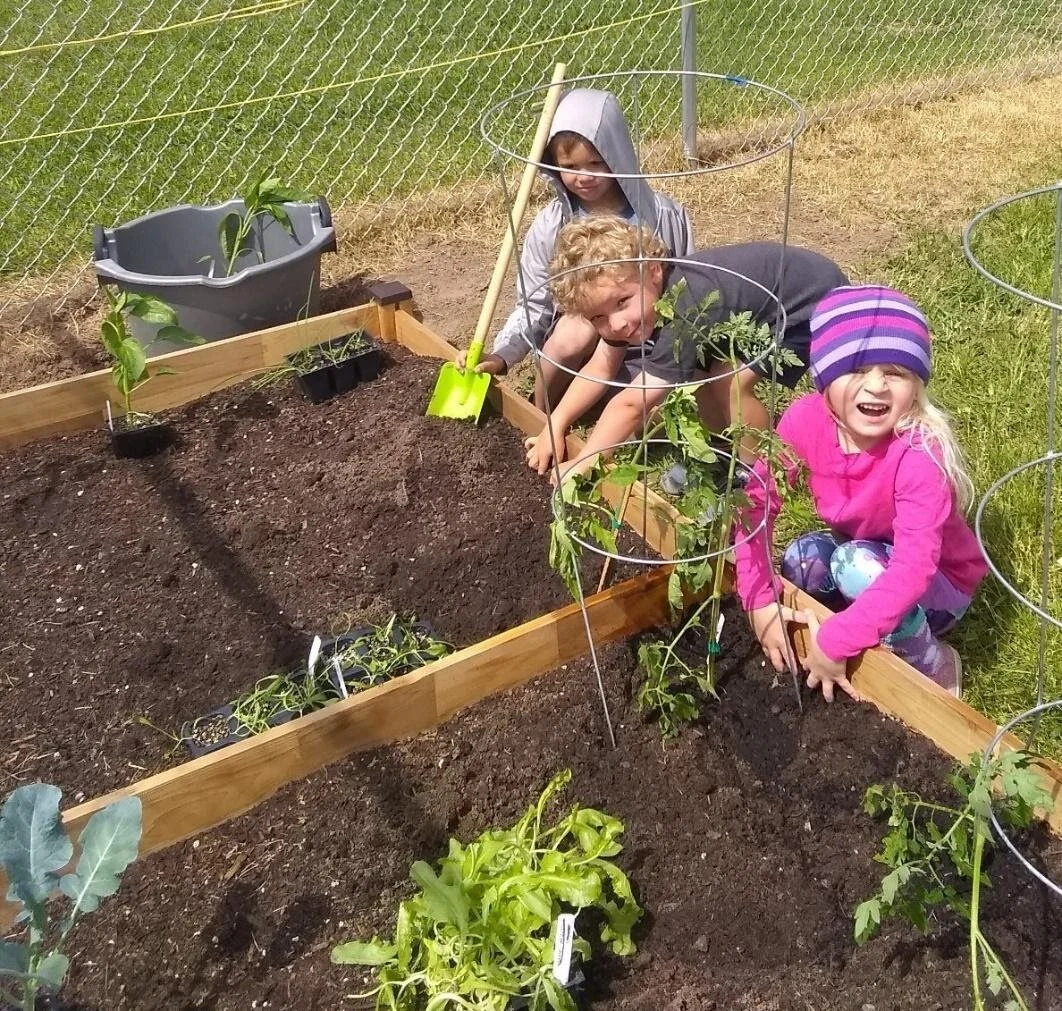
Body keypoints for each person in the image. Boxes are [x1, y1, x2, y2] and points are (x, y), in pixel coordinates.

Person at [734, 285, 987, 701]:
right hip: (868, 553)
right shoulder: (804, 422)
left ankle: (934, 664)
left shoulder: (919, 452)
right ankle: (866, 627)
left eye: (895, 372)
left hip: (939, 584)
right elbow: (755, 504)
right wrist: (758, 598)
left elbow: (912, 568)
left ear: (916, 384)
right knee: (802, 563)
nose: (876, 386)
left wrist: (835, 642)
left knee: (854, 565)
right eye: (855, 369)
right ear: (825, 378)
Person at [523, 215, 847, 479]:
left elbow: (633, 405)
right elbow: (601, 367)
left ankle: (756, 471)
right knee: (699, 374)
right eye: (598, 317)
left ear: (652, 270)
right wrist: (557, 421)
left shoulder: (685, 306)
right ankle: (721, 453)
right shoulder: (635, 308)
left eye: (622, 302)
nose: (616, 324)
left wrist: (587, 461)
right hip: (766, 305)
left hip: (812, 306)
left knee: (729, 381)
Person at [456, 88, 693, 411]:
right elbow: (533, 304)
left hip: (645, 341)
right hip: (579, 345)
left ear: (617, 154)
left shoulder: (661, 215)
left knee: (646, 416)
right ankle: (541, 413)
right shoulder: (551, 225)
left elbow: (687, 289)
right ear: (553, 164)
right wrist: (502, 355)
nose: (584, 177)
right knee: (574, 332)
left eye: (596, 163)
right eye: (570, 166)